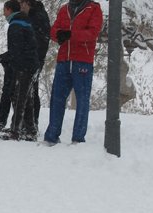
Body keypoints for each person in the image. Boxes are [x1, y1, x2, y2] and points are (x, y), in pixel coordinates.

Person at [43, 0, 102, 146]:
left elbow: (93, 33)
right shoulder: (64, 9)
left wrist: (71, 34)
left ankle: (78, 138)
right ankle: (51, 137)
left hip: (82, 60)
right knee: (57, 98)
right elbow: (53, 30)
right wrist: (58, 34)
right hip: (63, 60)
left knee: (82, 100)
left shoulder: (93, 8)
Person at [0, 0, 38, 141]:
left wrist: (1, 58)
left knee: (19, 98)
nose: (3, 13)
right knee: (27, 98)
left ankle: (15, 132)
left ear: (9, 9)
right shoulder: (23, 21)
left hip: (25, 66)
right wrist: (3, 57)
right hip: (30, 64)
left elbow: (15, 50)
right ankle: (30, 131)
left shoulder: (15, 24)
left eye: (4, 10)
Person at [20, 0, 51, 130]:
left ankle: (32, 124)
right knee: (25, 90)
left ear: (27, 3)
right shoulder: (28, 16)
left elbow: (40, 39)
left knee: (31, 89)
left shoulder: (39, 16)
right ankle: (24, 123)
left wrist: (35, 58)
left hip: (35, 58)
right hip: (26, 57)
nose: (20, 6)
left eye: (21, 3)